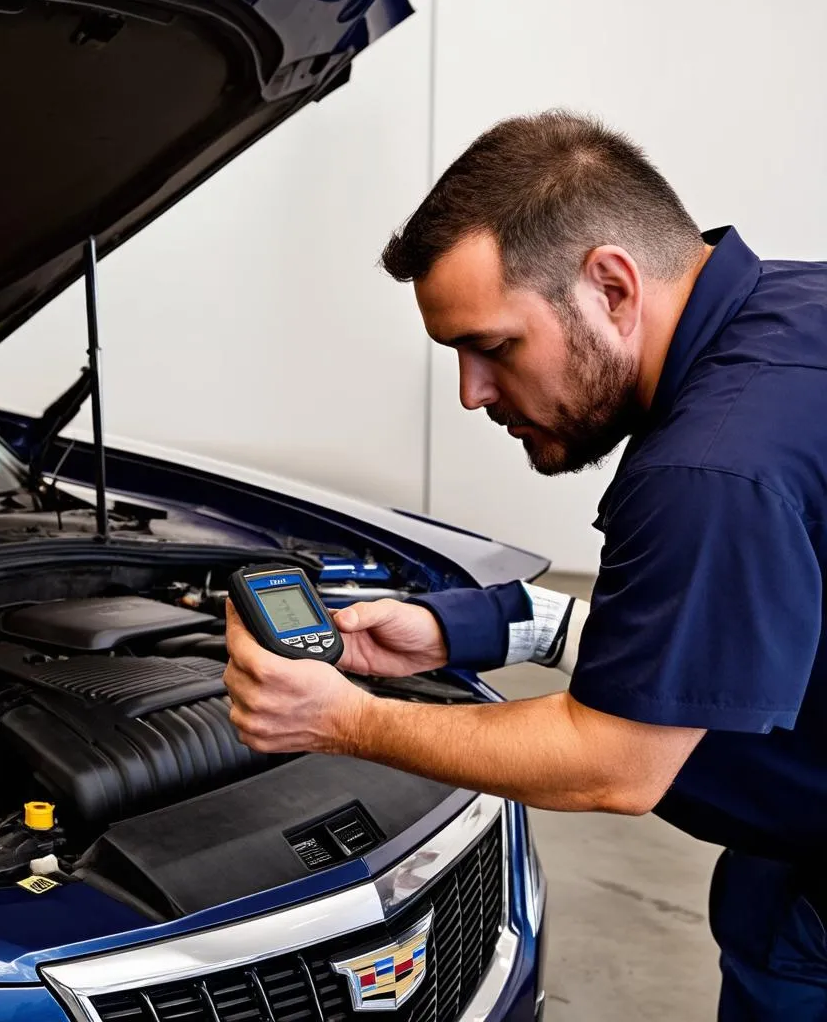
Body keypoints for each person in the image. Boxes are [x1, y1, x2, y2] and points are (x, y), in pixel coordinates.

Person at [222, 110, 827, 1020]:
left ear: (612, 287)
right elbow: (720, 631)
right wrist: (467, 626)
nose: (472, 392)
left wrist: (342, 720)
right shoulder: (796, 313)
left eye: (493, 346)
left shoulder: (712, 467)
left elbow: (613, 762)